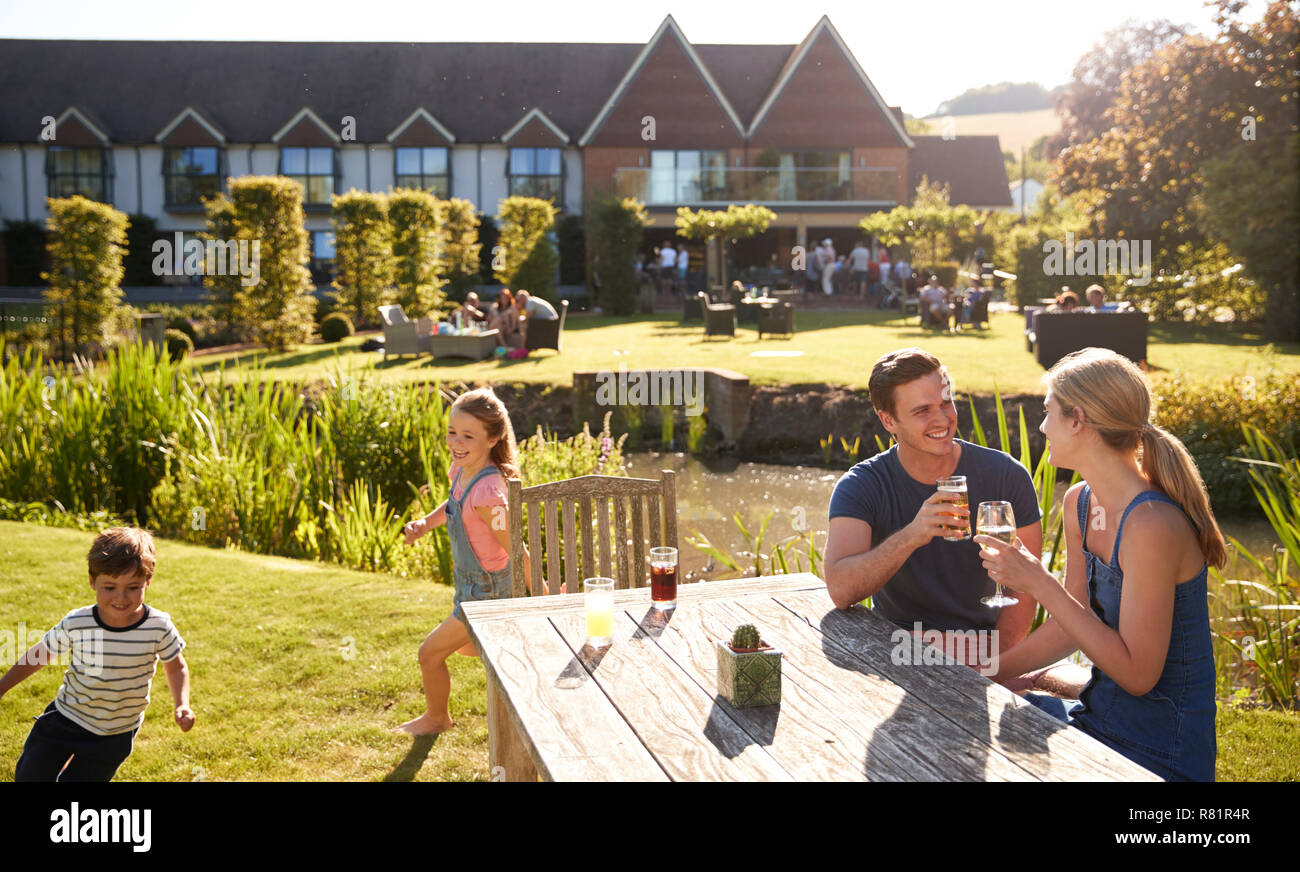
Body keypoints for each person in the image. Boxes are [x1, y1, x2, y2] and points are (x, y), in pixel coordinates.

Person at [977, 348, 1223, 781]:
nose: (1042, 426)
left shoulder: (1151, 524)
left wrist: (1039, 583)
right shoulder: (1080, 501)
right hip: (1096, 718)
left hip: (1159, 753)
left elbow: (1138, 675)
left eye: (1048, 412)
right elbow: (1073, 621)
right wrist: (986, 673)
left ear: (1078, 420)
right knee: (968, 737)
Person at [826, 348, 1043, 662]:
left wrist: (996, 666)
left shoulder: (1006, 476)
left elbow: (1025, 591)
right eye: (922, 410)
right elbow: (841, 590)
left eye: (946, 402)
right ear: (888, 420)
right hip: (899, 652)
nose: (942, 419)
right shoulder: (862, 485)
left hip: (982, 652)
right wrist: (913, 535)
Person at [1, 527, 194, 781]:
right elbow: (40, 654)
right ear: (93, 581)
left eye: (133, 587)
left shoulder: (157, 626)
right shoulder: (78, 622)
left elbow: (176, 666)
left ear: (147, 582)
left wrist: (182, 703)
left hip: (115, 734)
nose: (121, 597)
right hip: (66, 719)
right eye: (110, 587)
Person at [395, 387, 532, 736]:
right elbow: (454, 504)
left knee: (430, 654)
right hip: (470, 588)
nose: (457, 441)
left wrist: (545, 596)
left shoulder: (489, 494)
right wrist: (425, 523)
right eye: (452, 432)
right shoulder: (463, 472)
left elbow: (517, 550)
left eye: (468, 435)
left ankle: (437, 718)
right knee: (472, 650)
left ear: (493, 438)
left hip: (488, 593)